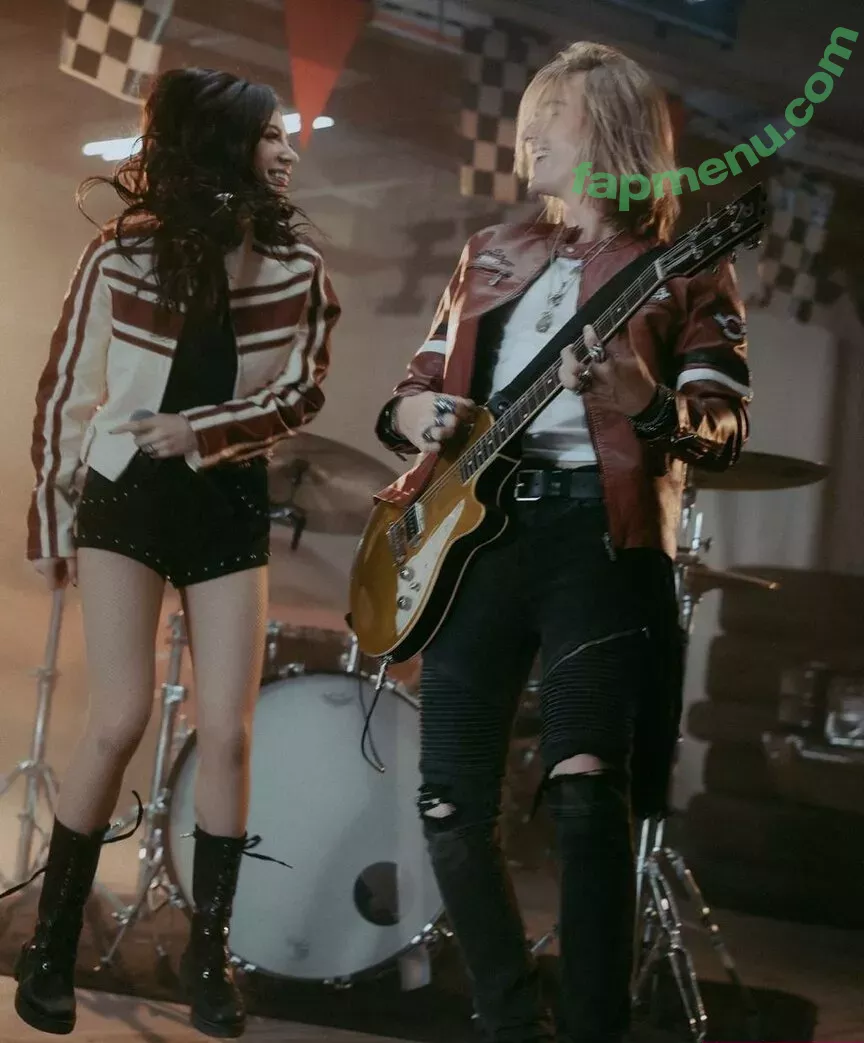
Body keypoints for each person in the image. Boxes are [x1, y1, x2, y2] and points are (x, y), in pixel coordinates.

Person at [372, 42, 750, 1043]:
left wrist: (646, 399)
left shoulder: (687, 268)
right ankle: (509, 1018)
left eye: (553, 115)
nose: (527, 132)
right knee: (450, 802)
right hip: (477, 540)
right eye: (528, 113)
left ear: (613, 134)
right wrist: (414, 416)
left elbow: (722, 425)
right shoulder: (490, 251)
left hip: (599, 536)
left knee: (586, 798)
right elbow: (414, 385)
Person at [14, 68, 339, 1038]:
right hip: (126, 494)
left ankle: (209, 956)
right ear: (222, 144)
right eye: (271, 135)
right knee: (117, 715)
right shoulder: (119, 254)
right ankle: (50, 945)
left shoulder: (300, 266)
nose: (288, 151)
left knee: (229, 733)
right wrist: (51, 522)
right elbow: (64, 390)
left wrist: (202, 431)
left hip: (225, 499)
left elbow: (303, 393)